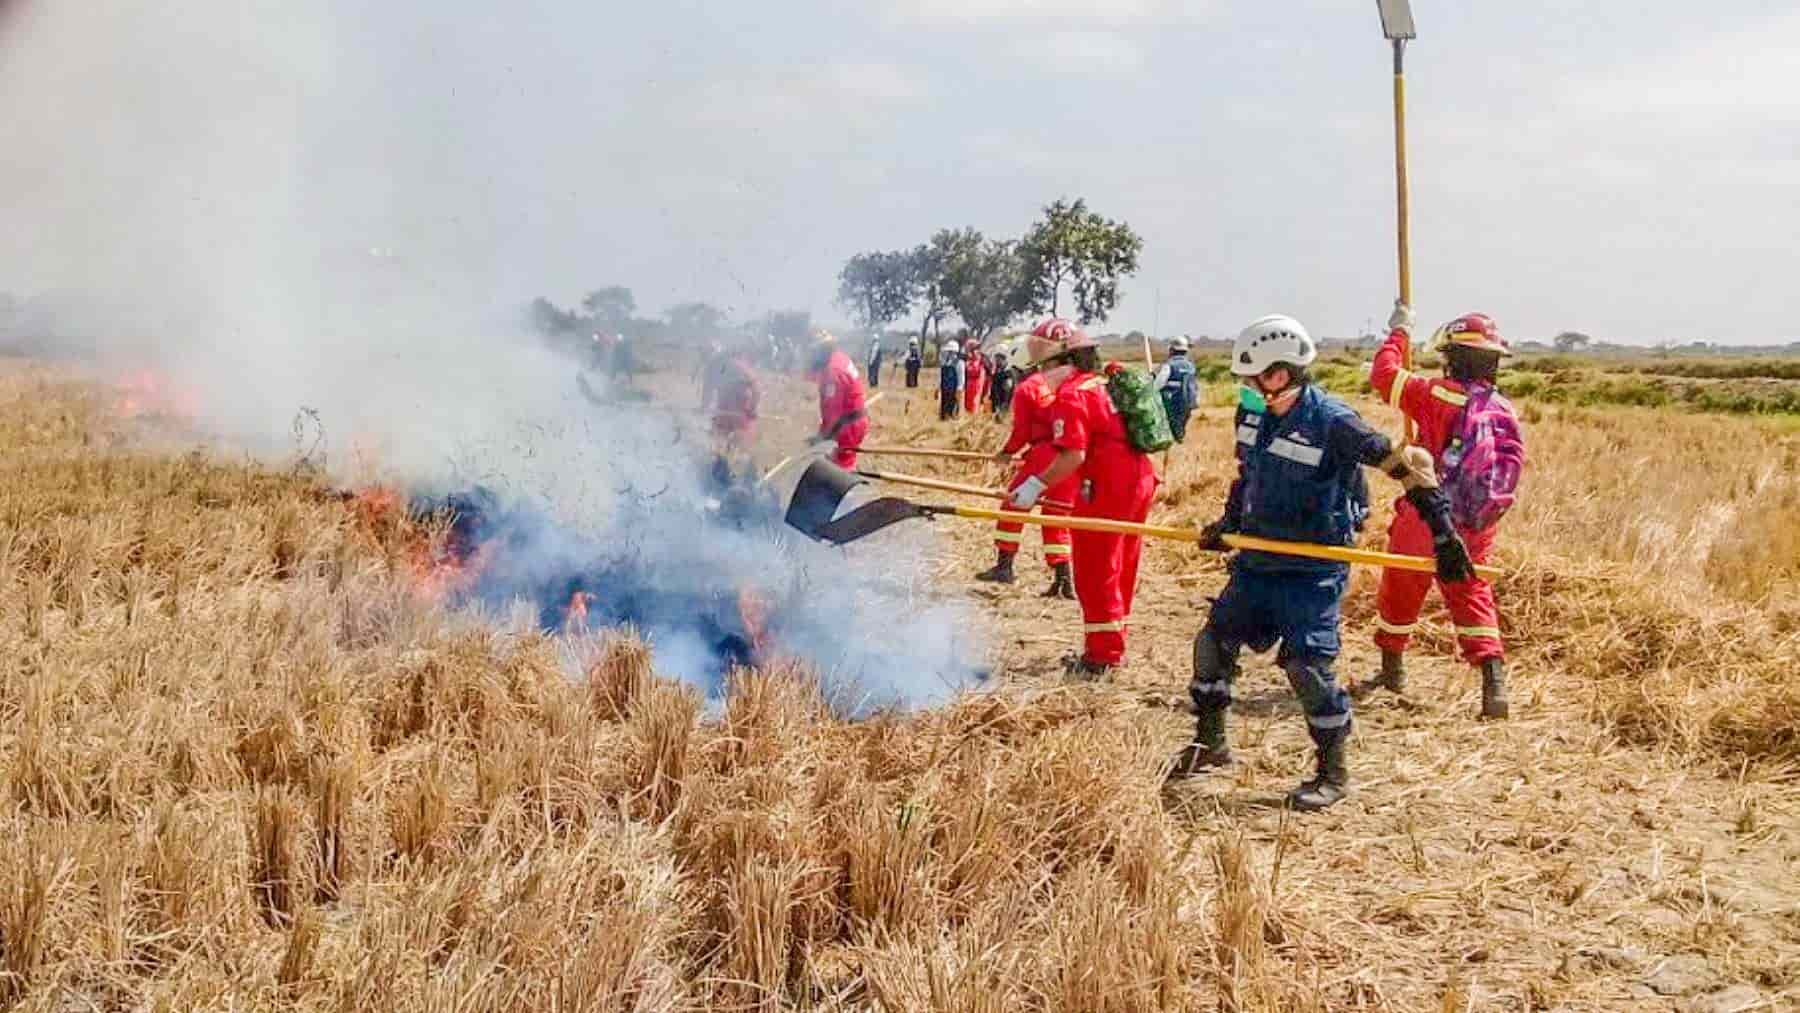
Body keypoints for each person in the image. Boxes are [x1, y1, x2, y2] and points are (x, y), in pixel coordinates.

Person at [1167, 315, 1476, 811]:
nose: (1251, 386)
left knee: (1307, 667)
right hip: (1259, 560)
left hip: (1312, 569)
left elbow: (1408, 467)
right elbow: (1248, 477)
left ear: (1286, 371)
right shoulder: (1255, 416)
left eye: (1260, 376)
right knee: (1213, 644)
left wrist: (1444, 535)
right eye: (1247, 377)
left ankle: (1333, 773)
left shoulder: (1334, 421)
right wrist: (1226, 526)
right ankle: (1211, 745)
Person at [1360, 302, 1520, 719]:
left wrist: (1398, 333)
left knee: (1402, 583)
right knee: (1470, 590)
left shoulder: (1434, 393)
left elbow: (1383, 376)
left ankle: (1391, 671)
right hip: (1479, 520)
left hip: (1427, 511)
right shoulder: (1503, 410)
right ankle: (1493, 683)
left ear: (1453, 357)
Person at [1007, 318, 1158, 678]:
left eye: (1043, 363)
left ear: (1060, 359)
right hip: (1141, 480)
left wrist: (1031, 488)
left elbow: (1071, 456)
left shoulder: (1073, 394)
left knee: (1094, 568)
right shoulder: (1104, 383)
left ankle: (1101, 658)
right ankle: (1114, 641)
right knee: (1122, 564)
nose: (1039, 371)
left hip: (1109, 486)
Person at [977, 337, 1076, 597]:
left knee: (1013, 505)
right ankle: (1064, 581)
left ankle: (1004, 567)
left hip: (1043, 454)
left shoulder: (1028, 388)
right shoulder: (1069, 383)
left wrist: (1007, 453)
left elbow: (1021, 432)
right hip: (1071, 458)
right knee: (1056, 517)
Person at [804, 331, 869, 469]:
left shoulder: (833, 372)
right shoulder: (839, 358)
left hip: (848, 427)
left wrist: (822, 440)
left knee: (838, 467)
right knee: (842, 461)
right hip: (854, 420)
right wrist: (821, 436)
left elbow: (833, 414)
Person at [707, 347, 761, 450]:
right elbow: (756, 390)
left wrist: (704, 406)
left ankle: (725, 453)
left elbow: (708, 389)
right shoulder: (742, 368)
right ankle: (731, 452)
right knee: (734, 434)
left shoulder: (719, 367)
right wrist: (753, 408)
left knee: (723, 433)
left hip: (731, 406)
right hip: (734, 407)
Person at [1155, 335, 1200, 442]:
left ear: (1171, 350)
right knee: (1180, 430)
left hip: (1171, 403)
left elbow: (1158, 384)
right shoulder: (1191, 366)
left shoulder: (1169, 365)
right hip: (1187, 404)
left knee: (1170, 431)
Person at [938, 339, 963, 420]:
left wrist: (959, 390)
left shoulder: (959, 363)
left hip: (953, 391)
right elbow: (941, 376)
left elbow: (961, 377)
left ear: (955, 352)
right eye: (948, 351)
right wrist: (938, 388)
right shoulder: (945, 362)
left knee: (953, 410)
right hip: (944, 390)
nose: (949, 353)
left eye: (951, 351)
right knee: (944, 410)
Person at [961, 338, 987, 418]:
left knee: (974, 401)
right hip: (969, 381)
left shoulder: (981, 357)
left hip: (976, 381)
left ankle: (973, 418)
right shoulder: (967, 357)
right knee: (968, 401)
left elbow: (985, 369)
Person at [988, 349, 1016, 416]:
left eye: (998, 359)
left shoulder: (1009, 373)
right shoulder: (998, 370)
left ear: (1003, 359)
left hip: (1001, 406)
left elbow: (1006, 392)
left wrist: (1001, 406)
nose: (996, 361)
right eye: (996, 359)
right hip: (995, 404)